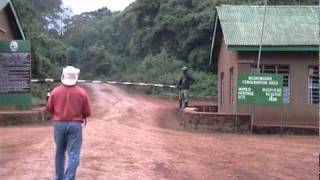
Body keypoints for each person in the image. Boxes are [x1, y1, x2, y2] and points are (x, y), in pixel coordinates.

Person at [47, 66, 91, 180]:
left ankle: (59, 178)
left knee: (59, 153)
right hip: (75, 125)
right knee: (73, 154)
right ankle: (69, 178)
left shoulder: (55, 92)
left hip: (59, 125)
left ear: (63, 77)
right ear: (76, 77)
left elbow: (49, 108)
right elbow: (87, 111)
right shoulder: (82, 93)